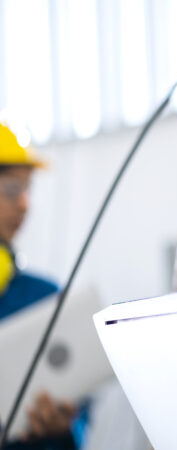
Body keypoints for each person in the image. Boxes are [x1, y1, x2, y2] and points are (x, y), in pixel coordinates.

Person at [0, 123, 79, 449]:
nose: (24, 205)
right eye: (11, 191)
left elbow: (79, 411)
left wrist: (63, 426)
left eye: (28, 190)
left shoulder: (44, 298)